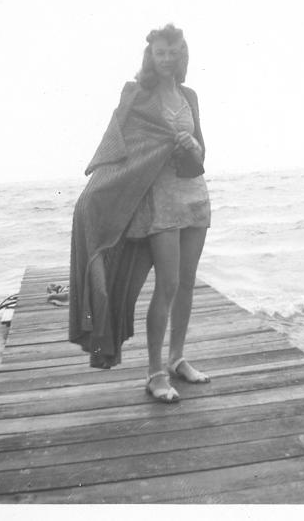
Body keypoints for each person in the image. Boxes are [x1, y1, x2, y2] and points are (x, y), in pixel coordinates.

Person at [69, 24, 211, 403]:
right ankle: (154, 373)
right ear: (150, 55)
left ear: (182, 54)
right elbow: (118, 145)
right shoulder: (136, 94)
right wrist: (98, 191)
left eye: (172, 52)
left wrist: (192, 144)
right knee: (166, 285)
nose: (166, 59)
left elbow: (201, 158)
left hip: (194, 195)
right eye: (159, 53)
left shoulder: (190, 96)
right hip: (158, 198)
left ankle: (178, 358)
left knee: (186, 283)